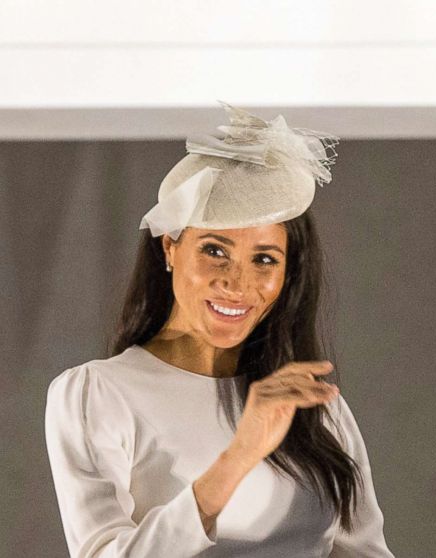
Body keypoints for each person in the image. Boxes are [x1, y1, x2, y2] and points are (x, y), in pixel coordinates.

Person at [45, 105, 393, 557]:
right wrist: (238, 457)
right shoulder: (98, 393)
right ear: (170, 247)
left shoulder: (311, 406)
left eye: (264, 259)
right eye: (214, 250)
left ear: (288, 272)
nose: (237, 283)